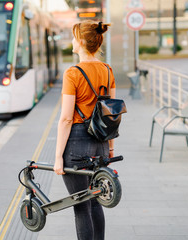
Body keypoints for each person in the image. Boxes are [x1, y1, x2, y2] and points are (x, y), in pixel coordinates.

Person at [53, 20, 116, 240]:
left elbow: (66, 118)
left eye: (73, 37)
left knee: (81, 206)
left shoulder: (73, 73)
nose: (71, 41)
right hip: (100, 142)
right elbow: (111, 115)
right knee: (96, 202)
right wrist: (109, 149)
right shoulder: (108, 70)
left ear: (80, 41)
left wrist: (58, 156)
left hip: (77, 144)